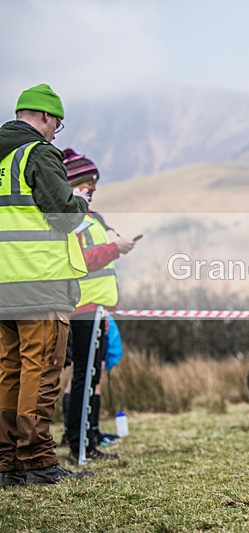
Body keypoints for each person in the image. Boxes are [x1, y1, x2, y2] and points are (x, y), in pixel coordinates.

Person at [0, 84, 93, 486]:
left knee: (8, 372)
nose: (56, 134)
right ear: (45, 118)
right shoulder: (37, 153)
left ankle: (5, 461)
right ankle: (36, 460)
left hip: (3, 285)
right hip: (39, 283)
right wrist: (79, 202)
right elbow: (62, 216)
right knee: (42, 370)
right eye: (57, 124)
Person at [62, 149, 136, 464]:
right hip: (83, 308)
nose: (91, 194)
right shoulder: (72, 220)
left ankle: (88, 440)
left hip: (97, 310)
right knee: (84, 374)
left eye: (93, 189)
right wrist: (114, 249)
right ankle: (80, 444)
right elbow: (81, 261)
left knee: (91, 376)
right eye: (86, 188)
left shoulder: (88, 218)